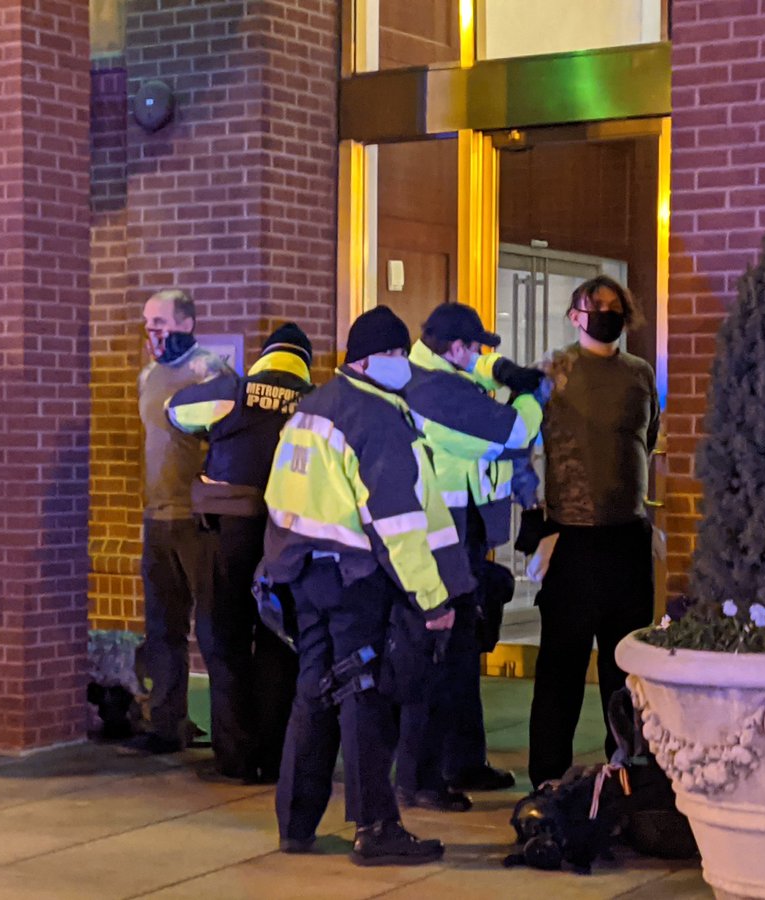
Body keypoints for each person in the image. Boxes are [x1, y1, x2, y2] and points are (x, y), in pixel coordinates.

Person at [265, 305, 473, 866]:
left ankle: (296, 822)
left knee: (314, 691)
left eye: (404, 352)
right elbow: (398, 527)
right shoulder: (375, 419)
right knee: (365, 696)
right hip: (355, 580)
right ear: (363, 360)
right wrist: (433, 601)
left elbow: (279, 497)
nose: (402, 362)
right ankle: (376, 827)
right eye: (393, 353)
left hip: (305, 573)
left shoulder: (313, 407)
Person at [396, 303, 544, 812]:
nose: (481, 354)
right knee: (442, 656)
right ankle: (429, 774)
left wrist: (500, 369)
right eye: (476, 347)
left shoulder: (437, 374)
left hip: (460, 535)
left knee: (460, 652)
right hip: (444, 540)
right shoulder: (438, 391)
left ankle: (461, 761)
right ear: (454, 347)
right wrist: (528, 396)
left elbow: (478, 375)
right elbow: (514, 432)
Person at [527, 275, 660, 788]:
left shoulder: (640, 374)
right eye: (595, 305)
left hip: (627, 536)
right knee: (561, 665)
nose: (606, 313)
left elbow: (645, 440)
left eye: (613, 306)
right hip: (571, 536)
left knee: (625, 667)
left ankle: (626, 770)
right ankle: (548, 776)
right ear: (575, 314)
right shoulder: (554, 370)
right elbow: (522, 443)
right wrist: (537, 527)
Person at [166, 323, 315, 783]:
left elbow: (177, 411)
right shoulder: (316, 401)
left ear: (265, 355)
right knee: (279, 641)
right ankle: (273, 756)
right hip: (289, 536)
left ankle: (235, 756)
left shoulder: (235, 391)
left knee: (224, 637)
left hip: (227, 531)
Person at [133, 288, 230, 754]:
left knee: (213, 626)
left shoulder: (209, 372)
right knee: (162, 628)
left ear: (187, 323)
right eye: (147, 322)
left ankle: (231, 735)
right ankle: (167, 725)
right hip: (157, 515)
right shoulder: (149, 375)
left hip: (195, 518)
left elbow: (228, 436)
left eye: (160, 321)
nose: (152, 330)